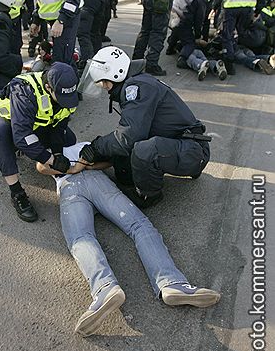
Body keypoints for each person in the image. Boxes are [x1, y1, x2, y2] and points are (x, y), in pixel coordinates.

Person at [36, 142, 221, 337]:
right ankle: (170, 283)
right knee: (139, 226)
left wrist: (69, 168)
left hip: (69, 187)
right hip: (99, 182)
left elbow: (41, 167)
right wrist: (87, 165)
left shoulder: (50, 150)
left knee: (81, 238)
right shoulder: (86, 145)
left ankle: (104, 288)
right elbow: (107, 161)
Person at [78, 46, 211, 207]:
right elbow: (129, 134)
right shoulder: (135, 81)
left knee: (143, 150)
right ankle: (149, 174)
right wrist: (102, 153)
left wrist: (96, 147)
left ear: (115, 75)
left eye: (104, 82)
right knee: (122, 165)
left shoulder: (137, 88)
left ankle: (149, 195)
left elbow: (126, 138)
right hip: (179, 142)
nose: (104, 87)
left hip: (194, 150)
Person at [0, 62, 79, 222]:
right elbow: (22, 136)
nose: (67, 101)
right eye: (63, 97)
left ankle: (33, 149)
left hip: (35, 123)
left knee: (69, 139)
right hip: (8, 121)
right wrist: (50, 160)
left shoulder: (66, 93)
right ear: (48, 87)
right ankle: (16, 193)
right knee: (0, 131)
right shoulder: (25, 91)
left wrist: (57, 153)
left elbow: (59, 126)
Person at [167, 0, 227, 80]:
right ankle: (182, 59)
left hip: (172, 16)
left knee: (177, 32)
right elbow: (199, 21)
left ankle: (170, 49)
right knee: (190, 44)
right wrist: (198, 37)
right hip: (183, 20)